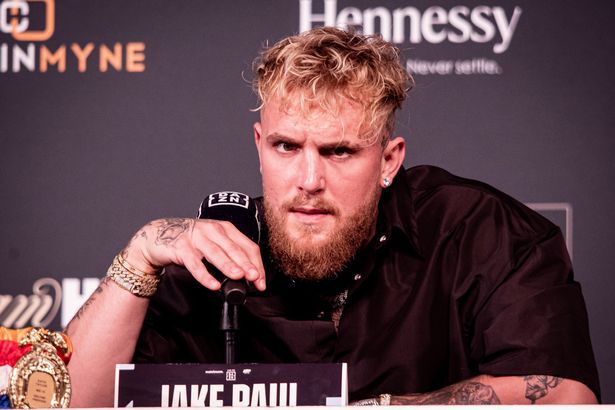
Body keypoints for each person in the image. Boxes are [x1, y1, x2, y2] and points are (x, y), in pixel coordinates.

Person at [64, 27, 600, 407]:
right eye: (286, 147)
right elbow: (67, 404)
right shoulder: (211, 258)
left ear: (389, 161)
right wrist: (140, 254)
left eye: (339, 151)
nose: (309, 180)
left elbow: (565, 396)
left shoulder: (482, 233)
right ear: (259, 146)